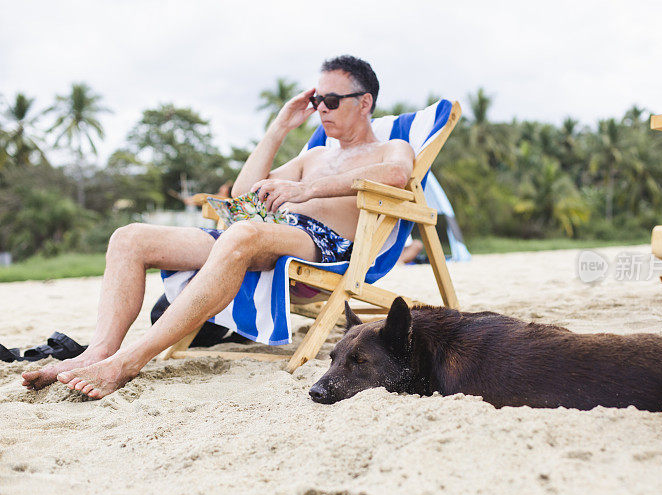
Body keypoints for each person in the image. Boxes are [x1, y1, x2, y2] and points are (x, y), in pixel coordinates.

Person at [21, 55, 414, 399]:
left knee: (242, 234)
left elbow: (398, 174)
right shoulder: (311, 155)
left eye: (331, 100)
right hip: (264, 235)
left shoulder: (390, 148)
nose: (322, 109)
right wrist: (279, 128)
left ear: (365, 102)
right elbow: (244, 194)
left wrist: (305, 190)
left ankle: (129, 361)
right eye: (317, 101)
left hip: (323, 248)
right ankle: (97, 353)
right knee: (129, 238)